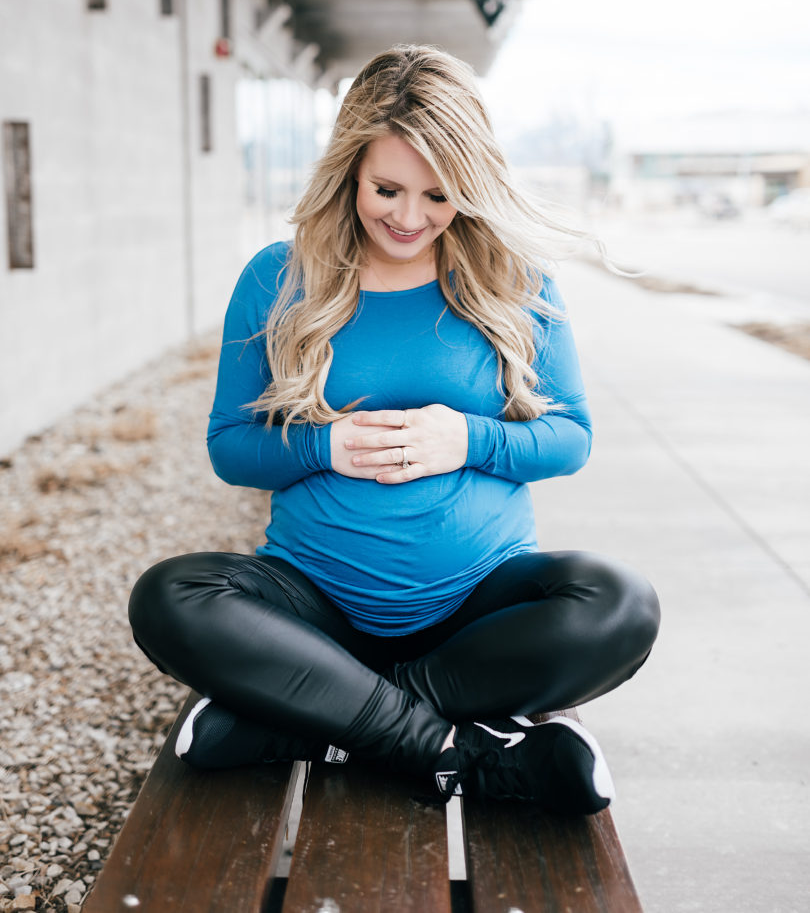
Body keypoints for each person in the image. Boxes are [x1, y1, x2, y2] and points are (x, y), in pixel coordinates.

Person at [129, 44, 660, 814]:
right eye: (387, 188)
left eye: (438, 195)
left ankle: (320, 717)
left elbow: (571, 435)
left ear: (470, 186)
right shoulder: (276, 278)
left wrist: (469, 439)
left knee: (623, 603)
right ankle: (457, 752)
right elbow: (230, 448)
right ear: (349, 167)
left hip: (476, 613)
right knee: (167, 596)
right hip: (315, 610)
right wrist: (323, 446)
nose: (409, 218)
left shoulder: (518, 279)